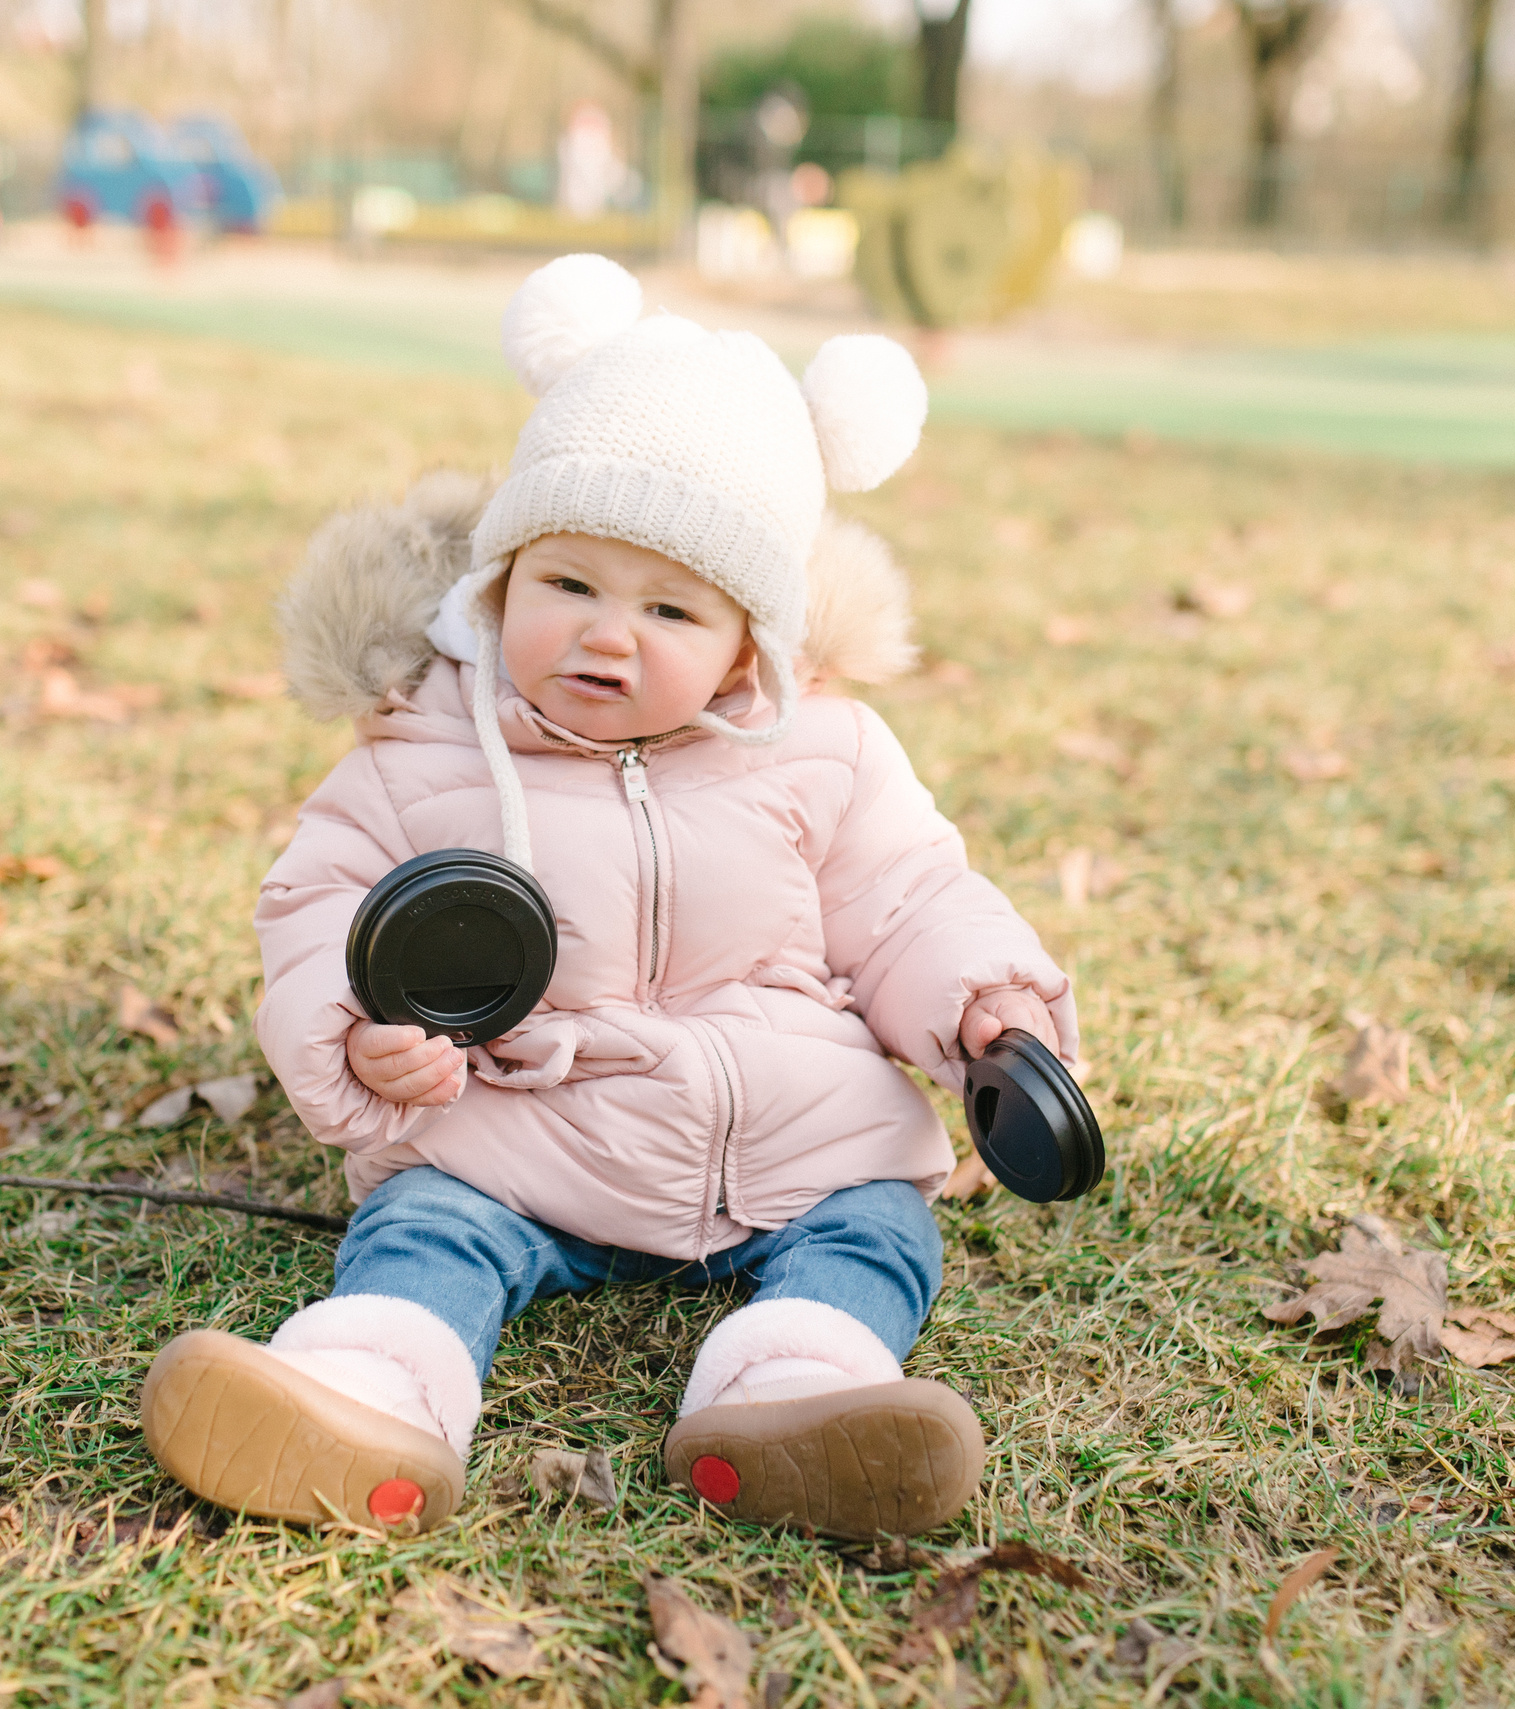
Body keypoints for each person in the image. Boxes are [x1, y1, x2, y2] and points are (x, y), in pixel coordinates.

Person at [142, 254, 1080, 1540]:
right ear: (499, 580)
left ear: (750, 641)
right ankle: (368, 1388)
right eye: (568, 583)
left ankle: (799, 1393)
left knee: (875, 1227)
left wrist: (987, 1006)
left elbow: (911, 898)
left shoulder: (825, 754)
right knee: (425, 1224)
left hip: (787, 1143)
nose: (605, 634)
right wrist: (361, 1028)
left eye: (669, 607)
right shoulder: (425, 749)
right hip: (520, 1134)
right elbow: (316, 904)